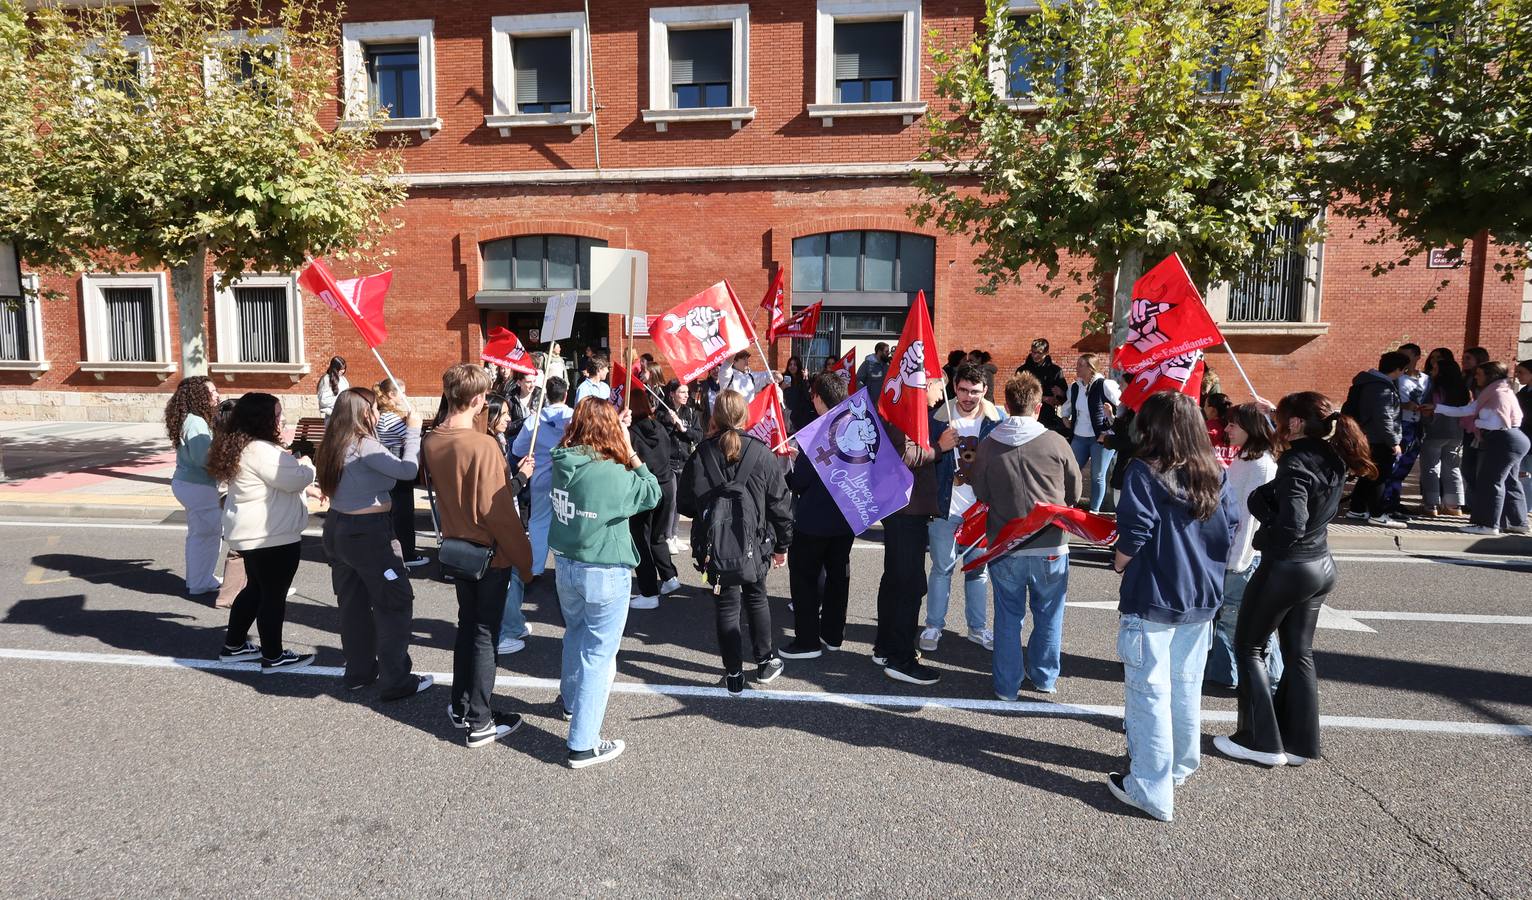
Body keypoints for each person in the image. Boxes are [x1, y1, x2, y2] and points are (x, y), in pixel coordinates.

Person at [1215, 391, 1375, 770]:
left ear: (1298, 423)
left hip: (1288, 566)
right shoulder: (1332, 454)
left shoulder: (1297, 460)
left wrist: (1262, 537)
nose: (1278, 424)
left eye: (1283, 418)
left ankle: (1259, 740)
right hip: (1320, 565)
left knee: (1249, 647)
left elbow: (1292, 524)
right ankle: (1299, 741)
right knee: (1298, 653)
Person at [1105, 391, 1237, 823]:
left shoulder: (1145, 471)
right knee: (1184, 687)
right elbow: (1231, 526)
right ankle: (1179, 766)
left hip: (1155, 595)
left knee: (1148, 693)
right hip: (1201, 598)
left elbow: (1136, 530)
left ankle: (1150, 788)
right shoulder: (1215, 471)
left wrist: (1119, 561)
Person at [421, 364, 534, 748]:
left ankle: (462, 704)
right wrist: (526, 559)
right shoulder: (481, 444)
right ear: (476, 399)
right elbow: (498, 512)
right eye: (484, 396)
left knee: (467, 627)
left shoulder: (431, 439)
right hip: (490, 554)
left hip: (458, 549)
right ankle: (481, 721)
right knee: (485, 634)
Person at [550, 398, 661, 767]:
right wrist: (629, 450)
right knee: (599, 654)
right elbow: (652, 492)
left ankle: (570, 702)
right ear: (610, 430)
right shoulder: (614, 474)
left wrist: (615, 437)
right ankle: (583, 743)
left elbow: (586, 458)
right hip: (603, 569)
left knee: (575, 634)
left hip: (565, 565)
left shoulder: (561, 462)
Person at [969, 373, 1081, 698]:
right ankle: (1045, 677)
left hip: (1006, 543)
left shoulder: (990, 445)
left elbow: (981, 492)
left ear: (1006, 404)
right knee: (1049, 614)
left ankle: (1007, 685)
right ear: (1036, 406)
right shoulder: (1057, 442)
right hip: (1050, 543)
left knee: (1008, 616)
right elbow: (1073, 492)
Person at [317, 387, 433, 699]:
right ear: (364, 413)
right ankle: (396, 680)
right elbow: (407, 471)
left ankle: (359, 672)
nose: (380, 413)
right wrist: (413, 431)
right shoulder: (363, 443)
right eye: (374, 409)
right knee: (395, 601)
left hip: (339, 527)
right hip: (368, 533)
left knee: (352, 605)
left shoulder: (333, 442)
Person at [680, 390, 793, 695]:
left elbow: (685, 504)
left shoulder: (701, 454)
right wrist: (782, 545)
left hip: (714, 547)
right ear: (745, 417)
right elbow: (781, 506)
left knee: (726, 606)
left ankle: (733, 673)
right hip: (754, 543)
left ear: (714, 417)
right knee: (756, 597)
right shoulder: (761, 453)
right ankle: (765, 660)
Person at [206, 392, 316, 672]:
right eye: (277, 415)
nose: (281, 421)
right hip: (271, 533)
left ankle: (235, 645)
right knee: (272, 596)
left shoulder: (243, 445)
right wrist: (307, 467)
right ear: (263, 419)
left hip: (253, 532)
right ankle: (274, 655)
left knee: (255, 589)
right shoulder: (261, 450)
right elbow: (292, 480)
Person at [874, 377, 959, 686]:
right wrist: (940, 448)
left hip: (905, 509)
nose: (942, 394)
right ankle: (900, 659)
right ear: (926, 385)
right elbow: (904, 456)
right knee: (908, 586)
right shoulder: (905, 414)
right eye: (940, 386)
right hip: (904, 511)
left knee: (897, 581)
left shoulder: (911, 413)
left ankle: (886, 648)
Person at [922, 363, 1002, 653]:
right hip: (946, 507)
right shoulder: (936, 418)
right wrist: (939, 444)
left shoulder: (997, 420)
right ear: (954, 387)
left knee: (977, 572)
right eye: (963, 390)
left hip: (981, 510)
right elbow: (922, 457)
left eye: (975, 392)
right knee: (941, 569)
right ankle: (933, 626)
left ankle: (978, 629)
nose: (968, 397)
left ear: (984, 391)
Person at [1205, 403, 1283, 690]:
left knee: (1237, 619)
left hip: (1245, 556)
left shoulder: (1261, 465)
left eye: (1233, 425)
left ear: (1250, 428)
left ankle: (1269, 677)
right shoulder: (1246, 460)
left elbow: (1251, 519)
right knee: (1233, 618)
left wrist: (1237, 560)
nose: (1226, 430)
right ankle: (1227, 673)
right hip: (1237, 553)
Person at [780, 373, 855, 659]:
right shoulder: (855, 426)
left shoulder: (818, 431)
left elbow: (801, 482)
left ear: (819, 398)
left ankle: (807, 641)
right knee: (838, 575)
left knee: (804, 579)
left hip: (813, 520)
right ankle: (833, 634)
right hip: (846, 516)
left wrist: (793, 465)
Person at [1424, 361, 1530, 536]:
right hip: (1515, 439)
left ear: (1491, 376)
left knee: (1491, 482)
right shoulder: (1501, 390)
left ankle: (1489, 525)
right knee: (1510, 481)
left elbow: (1496, 423)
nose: (1476, 377)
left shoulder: (1497, 393)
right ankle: (1518, 523)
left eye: (1479, 374)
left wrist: (1477, 422)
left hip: (1503, 440)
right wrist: (1437, 407)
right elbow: (1469, 409)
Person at [166, 376, 223, 597]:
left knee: (200, 534)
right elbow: (205, 459)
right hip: (198, 486)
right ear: (199, 396)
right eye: (212, 392)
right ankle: (201, 581)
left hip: (189, 484)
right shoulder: (196, 422)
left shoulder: (189, 419)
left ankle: (198, 578)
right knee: (208, 535)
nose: (217, 394)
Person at [627, 374, 680, 609]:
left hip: (646, 488)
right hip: (667, 485)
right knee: (658, 536)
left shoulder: (629, 433)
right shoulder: (660, 426)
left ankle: (649, 592)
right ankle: (669, 578)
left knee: (640, 538)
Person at [512, 377, 574, 578]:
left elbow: (517, 448)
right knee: (568, 522)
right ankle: (567, 569)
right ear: (566, 395)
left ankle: (536, 568)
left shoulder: (534, 419)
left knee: (539, 522)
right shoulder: (575, 418)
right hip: (568, 479)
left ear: (547, 395)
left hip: (541, 477)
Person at [1342, 350, 1408, 528]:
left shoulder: (1369, 382)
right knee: (1379, 476)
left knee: (1369, 474)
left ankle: (1357, 509)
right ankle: (1377, 513)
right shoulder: (1381, 387)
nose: (1403, 374)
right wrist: (1394, 441)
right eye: (1404, 370)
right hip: (1378, 439)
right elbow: (1384, 417)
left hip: (1367, 436)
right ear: (1397, 369)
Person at [375, 379, 427, 568]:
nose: (405, 397)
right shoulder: (390, 417)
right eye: (402, 393)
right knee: (403, 511)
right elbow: (410, 437)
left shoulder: (385, 415)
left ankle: (398, 550)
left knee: (395, 510)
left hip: (389, 466)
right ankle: (407, 553)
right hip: (398, 465)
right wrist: (415, 424)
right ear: (391, 395)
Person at [1065, 353, 1121, 512]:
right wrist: (1064, 417)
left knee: (1097, 475)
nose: (1076, 367)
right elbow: (1068, 405)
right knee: (1072, 472)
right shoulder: (1075, 387)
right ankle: (1070, 505)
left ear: (1090, 368)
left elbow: (1122, 404)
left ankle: (1094, 511)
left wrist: (1112, 418)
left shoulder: (1104, 385)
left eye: (1080, 365)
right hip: (1079, 436)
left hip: (1101, 438)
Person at [1419, 349, 1468, 516]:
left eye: (1434, 369)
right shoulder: (1460, 388)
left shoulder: (1433, 387)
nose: (1431, 371)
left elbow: (1426, 410)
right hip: (1456, 433)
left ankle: (1431, 505)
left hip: (1435, 431)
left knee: (1431, 468)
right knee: (1453, 467)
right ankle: (1454, 506)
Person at [1382, 343, 1429, 514]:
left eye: (1406, 356)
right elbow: (1387, 403)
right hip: (1401, 424)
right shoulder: (1395, 378)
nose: (1402, 359)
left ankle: (1394, 500)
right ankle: (1386, 501)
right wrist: (1404, 406)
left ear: (1417, 357)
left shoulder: (1425, 379)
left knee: (1405, 466)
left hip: (1417, 426)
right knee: (1394, 464)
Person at [662, 378, 705, 553]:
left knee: (679, 500)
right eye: (682, 392)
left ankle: (674, 535)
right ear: (672, 394)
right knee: (670, 500)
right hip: (669, 462)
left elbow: (698, 435)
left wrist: (684, 429)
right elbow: (659, 436)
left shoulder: (690, 413)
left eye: (687, 392)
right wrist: (669, 423)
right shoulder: (662, 413)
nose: (686, 395)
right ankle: (666, 536)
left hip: (685, 461)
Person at [1460, 346, 1491, 508]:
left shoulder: (1485, 383)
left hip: (1482, 430)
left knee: (1478, 468)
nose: (1464, 361)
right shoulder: (1465, 378)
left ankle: (1477, 504)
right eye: (1464, 358)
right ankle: (1472, 502)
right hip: (1468, 427)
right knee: (1467, 467)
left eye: (1468, 358)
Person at [1202, 392, 1238, 469]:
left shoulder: (1206, 427)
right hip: (1234, 473)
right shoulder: (1238, 426)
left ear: (1213, 410)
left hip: (1213, 472)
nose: (1203, 409)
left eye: (1205, 406)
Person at [782, 355, 814, 432]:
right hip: (788, 413)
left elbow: (808, 396)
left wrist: (806, 379)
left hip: (801, 414)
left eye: (795, 365)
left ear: (798, 366)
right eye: (790, 364)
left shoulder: (803, 379)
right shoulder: (783, 378)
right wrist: (781, 387)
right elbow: (778, 395)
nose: (792, 367)